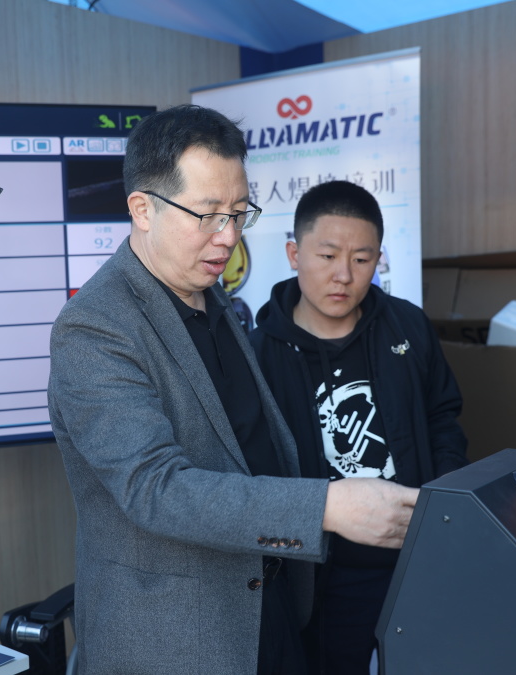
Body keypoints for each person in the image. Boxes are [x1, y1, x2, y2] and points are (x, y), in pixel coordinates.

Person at [46, 105, 420, 674]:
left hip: (270, 603)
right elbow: (155, 488)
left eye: (239, 213)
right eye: (207, 215)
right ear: (142, 209)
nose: (228, 237)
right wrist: (327, 506)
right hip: (179, 639)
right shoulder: (95, 327)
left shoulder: (212, 294)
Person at [248, 180, 469, 674]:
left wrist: (442, 505)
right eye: (327, 256)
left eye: (362, 259)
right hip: (321, 577)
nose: (343, 275)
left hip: (416, 558)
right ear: (294, 254)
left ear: (378, 259)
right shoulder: (258, 355)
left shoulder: (407, 326)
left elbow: (443, 417)